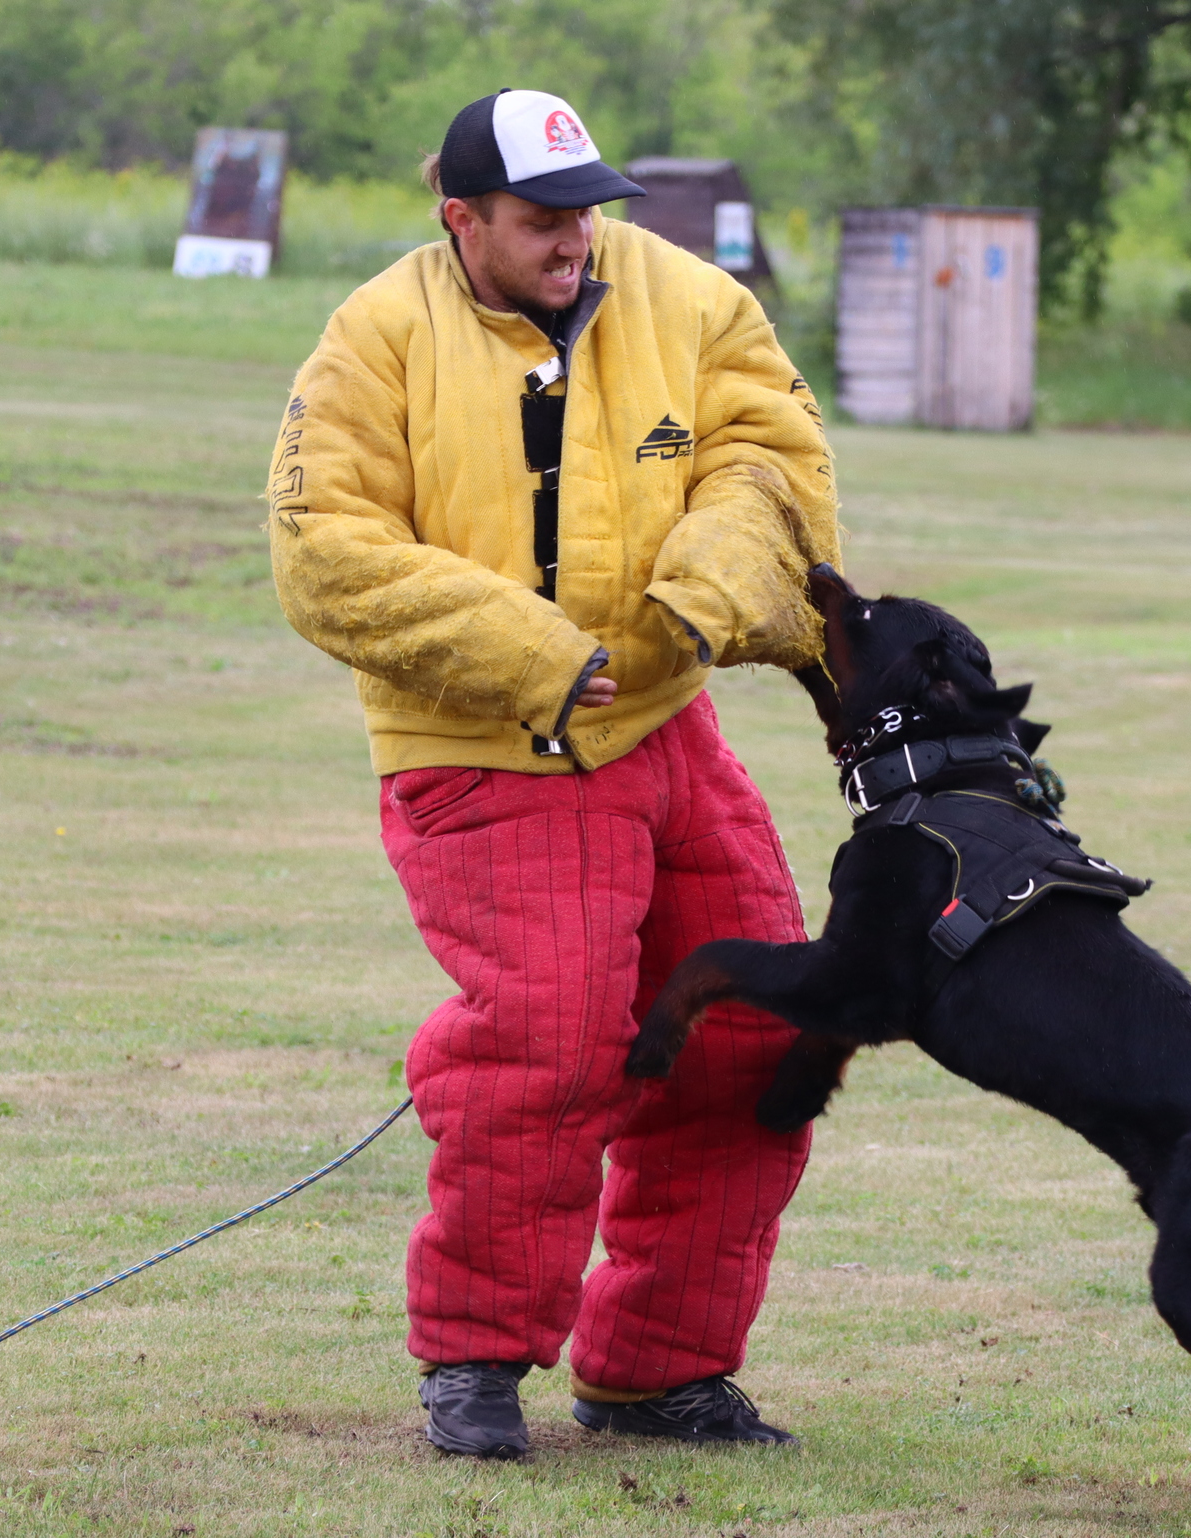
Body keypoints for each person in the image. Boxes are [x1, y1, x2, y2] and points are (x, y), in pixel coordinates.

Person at [265, 89, 839, 1460]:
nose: (577, 238)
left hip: (665, 730)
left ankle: (659, 1369)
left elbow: (775, 459)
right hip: (481, 748)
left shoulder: (693, 301)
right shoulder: (372, 338)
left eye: (589, 208)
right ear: (459, 218)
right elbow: (321, 551)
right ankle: (474, 1358)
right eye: (540, 219)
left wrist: (718, 581)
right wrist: (526, 650)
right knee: (549, 1042)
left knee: (761, 1027)